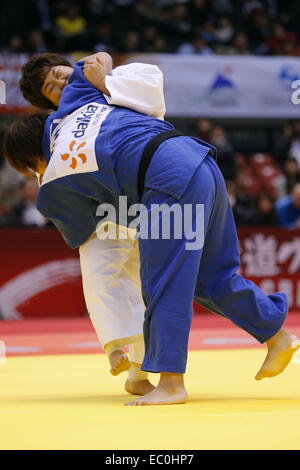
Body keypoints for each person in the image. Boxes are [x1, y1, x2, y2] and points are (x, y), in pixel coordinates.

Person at [4, 61, 300, 406]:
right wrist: (98, 71)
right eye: (51, 85)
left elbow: (96, 241)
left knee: (162, 281)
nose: (60, 81)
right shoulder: (86, 98)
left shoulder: (53, 176)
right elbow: (96, 62)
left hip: (167, 181)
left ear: (30, 166)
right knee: (209, 278)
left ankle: (171, 382)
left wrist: (114, 341)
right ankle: (277, 335)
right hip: (198, 161)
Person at [19, 52, 166, 396]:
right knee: (100, 274)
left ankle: (138, 374)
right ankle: (115, 348)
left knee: (145, 289)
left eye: (59, 74)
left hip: (139, 201)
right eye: (51, 89)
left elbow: (104, 59)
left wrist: (103, 77)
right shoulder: (62, 123)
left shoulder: (101, 80)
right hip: (103, 214)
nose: (60, 83)